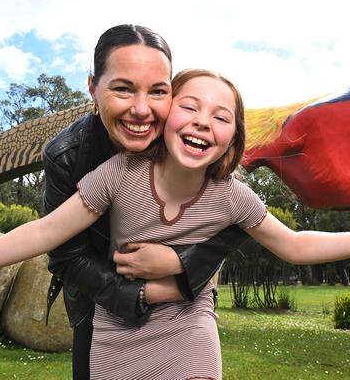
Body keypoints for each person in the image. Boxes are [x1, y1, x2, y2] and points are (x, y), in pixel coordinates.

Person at [0, 68, 350, 380]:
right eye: (190, 106)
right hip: (117, 333)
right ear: (165, 118)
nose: (204, 120)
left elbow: (293, 245)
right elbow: (44, 233)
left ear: (232, 140)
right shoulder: (118, 175)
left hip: (189, 336)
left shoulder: (232, 196)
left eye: (222, 116)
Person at [40, 24, 249, 379]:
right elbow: (62, 252)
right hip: (101, 302)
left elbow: (235, 221)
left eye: (157, 92)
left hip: (185, 308)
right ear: (93, 88)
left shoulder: (183, 141)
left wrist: (181, 262)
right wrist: (143, 292)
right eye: (122, 89)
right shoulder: (67, 156)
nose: (141, 110)